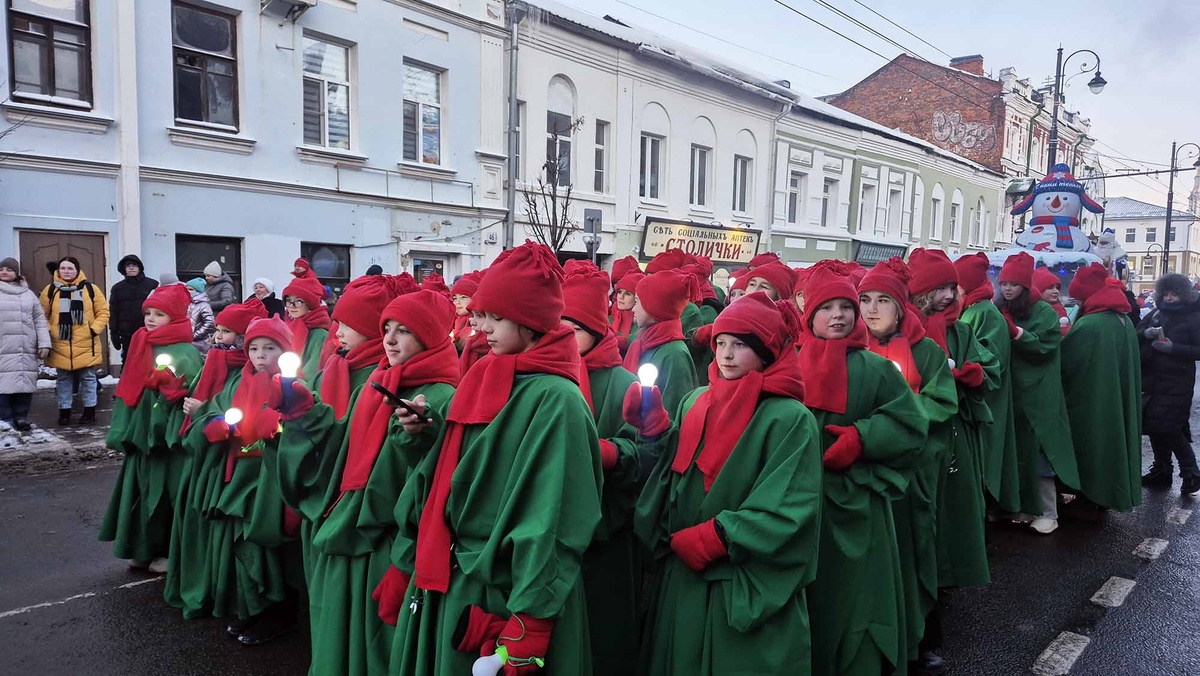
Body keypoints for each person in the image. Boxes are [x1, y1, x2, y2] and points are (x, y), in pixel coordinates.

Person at [379, 241, 602, 676]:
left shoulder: (558, 399)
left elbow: (555, 515)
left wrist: (531, 619)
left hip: (509, 584)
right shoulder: (486, 371)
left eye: (495, 318)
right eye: (481, 316)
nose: (482, 328)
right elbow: (457, 468)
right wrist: (422, 433)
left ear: (531, 319)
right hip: (459, 571)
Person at [631, 292, 821, 675]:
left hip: (739, 579)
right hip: (683, 575)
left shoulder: (788, 417)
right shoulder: (696, 401)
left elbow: (790, 502)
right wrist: (654, 432)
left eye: (740, 345)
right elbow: (673, 471)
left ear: (766, 352)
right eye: (720, 343)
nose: (727, 355)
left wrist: (716, 536)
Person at [796, 262, 928, 676]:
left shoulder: (877, 369)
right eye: (827, 308)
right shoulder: (790, 364)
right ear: (809, 315)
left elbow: (910, 425)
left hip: (858, 503)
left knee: (857, 594)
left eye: (845, 307)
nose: (838, 315)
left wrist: (863, 438)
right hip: (800, 503)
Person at [858, 258, 958, 673]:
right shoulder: (853, 348)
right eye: (864, 299)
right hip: (865, 467)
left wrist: (898, 415)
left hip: (913, 469)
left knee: (916, 550)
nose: (872, 309)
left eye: (883, 300)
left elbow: (942, 402)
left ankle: (923, 636)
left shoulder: (925, 351)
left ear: (901, 306)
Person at [907, 249, 997, 669]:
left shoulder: (961, 332)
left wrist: (975, 373)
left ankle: (944, 584)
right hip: (918, 442)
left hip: (956, 437)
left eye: (951, 287)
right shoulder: (905, 332)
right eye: (938, 288)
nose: (947, 296)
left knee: (953, 515)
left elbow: (991, 366)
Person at [559, 261, 641, 674]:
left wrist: (608, 452)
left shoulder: (623, 383)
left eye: (572, 330)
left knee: (604, 623)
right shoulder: (549, 376)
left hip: (606, 523)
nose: (564, 339)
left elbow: (644, 450)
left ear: (594, 330)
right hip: (557, 521)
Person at [165, 298, 267, 621]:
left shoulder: (244, 374)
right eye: (218, 330)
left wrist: (204, 413)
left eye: (226, 332)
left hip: (231, 462)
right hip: (207, 458)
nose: (218, 337)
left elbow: (240, 417)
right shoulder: (216, 363)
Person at [99, 283, 203, 573]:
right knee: (141, 492)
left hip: (167, 442)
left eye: (159, 314)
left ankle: (169, 551)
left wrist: (172, 392)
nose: (151, 319)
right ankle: (141, 547)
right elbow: (128, 388)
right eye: (149, 313)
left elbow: (192, 392)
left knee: (167, 495)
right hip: (140, 435)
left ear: (176, 317)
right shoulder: (141, 342)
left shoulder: (185, 352)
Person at [996, 252, 1079, 534]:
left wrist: (1016, 333)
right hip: (1015, 393)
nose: (1007, 289)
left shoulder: (1042, 312)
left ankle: (1048, 512)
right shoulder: (1001, 308)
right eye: (1004, 283)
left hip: (1039, 393)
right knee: (1019, 453)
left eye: (1013, 284)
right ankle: (1023, 507)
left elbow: (1045, 347)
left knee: (1041, 453)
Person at [1061, 264, 1142, 511]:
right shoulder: (1122, 320)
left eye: (1077, 296)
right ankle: (1106, 497)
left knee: (1095, 444)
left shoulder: (1091, 325)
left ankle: (1091, 499)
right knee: (1113, 443)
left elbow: (1067, 363)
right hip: (1113, 397)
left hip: (1093, 401)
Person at [955, 252, 1022, 515]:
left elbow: (992, 362)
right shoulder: (973, 309)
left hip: (986, 400)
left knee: (986, 458)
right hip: (980, 398)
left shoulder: (985, 312)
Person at [1138, 273, 1200, 495]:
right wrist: (1146, 333)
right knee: (1154, 425)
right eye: (1166, 293)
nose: (1170, 298)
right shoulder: (1156, 312)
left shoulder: (1193, 317)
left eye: (1174, 294)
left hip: (1177, 381)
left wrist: (1174, 348)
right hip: (1153, 379)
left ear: (1183, 295)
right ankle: (1162, 470)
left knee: (1169, 427)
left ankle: (1191, 472)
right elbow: (1137, 333)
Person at [39, 256, 110, 426]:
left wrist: (93, 329)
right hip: (60, 344)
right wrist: (51, 330)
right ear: (58, 270)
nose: (66, 271)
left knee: (88, 379)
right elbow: (41, 315)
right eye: (63, 268)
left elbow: (103, 311)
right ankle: (64, 413)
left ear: (77, 270)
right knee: (63, 380)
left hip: (86, 343)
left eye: (70, 268)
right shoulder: (50, 290)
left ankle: (89, 412)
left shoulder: (90, 289)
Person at [624, 270, 699, 417]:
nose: (633, 308)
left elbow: (672, 415)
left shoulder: (674, 355)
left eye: (638, 302)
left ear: (654, 307)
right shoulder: (646, 341)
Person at [0, 257, 51, 431]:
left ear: (16, 273)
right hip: (3, 347)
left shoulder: (28, 294)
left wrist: (44, 343)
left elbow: (39, 320)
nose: (4, 272)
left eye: (9, 269)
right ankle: (5, 419)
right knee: (3, 384)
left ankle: (21, 416)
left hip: (25, 347)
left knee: (24, 382)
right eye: (2, 269)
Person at [108, 254, 158, 362]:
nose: (131, 268)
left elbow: (160, 308)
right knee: (128, 362)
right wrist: (114, 334)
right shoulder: (117, 288)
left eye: (134, 265)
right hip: (126, 334)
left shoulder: (152, 285)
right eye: (128, 266)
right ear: (123, 269)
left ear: (139, 268)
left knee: (149, 361)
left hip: (148, 331)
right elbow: (113, 312)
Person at [282, 275, 332, 380]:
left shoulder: (319, 334)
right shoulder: (286, 327)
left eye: (298, 301)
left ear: (310, 304)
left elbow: (312, 372)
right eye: (288, 300)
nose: (291, 306)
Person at [1033, 268, 1070, 336]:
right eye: (1050, 288)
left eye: (1057, 288)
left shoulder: (1059, 309)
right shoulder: (1031, 310)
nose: (1056, 291)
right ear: (1038, 290)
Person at [450, 271, 482, 351]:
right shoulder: (452, 321)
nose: (458, 302)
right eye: (455, 298)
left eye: (463, 297)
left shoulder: (479, 322)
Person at [185, 278, 216, 356]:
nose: (188, 291)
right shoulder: (186, 303)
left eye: (191, 289)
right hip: (187, 341)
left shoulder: (204, 305)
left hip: (201, 344)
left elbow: (210, 324)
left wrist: (195, 335)